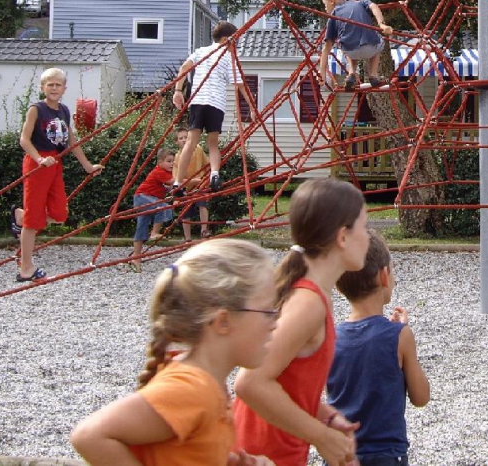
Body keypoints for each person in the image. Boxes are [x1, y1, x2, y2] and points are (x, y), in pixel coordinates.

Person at [70, 239, 279, 466]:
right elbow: (90, 436)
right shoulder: (192, 390)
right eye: (268, 311)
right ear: (223, 321)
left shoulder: (208, 386)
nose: (275, 323)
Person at [234, 178, 371, 466]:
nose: (368, 238)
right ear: (342, 237)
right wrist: (321, 437)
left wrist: (325, 415)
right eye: (364, 227)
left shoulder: (315, 295)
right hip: (262, 455)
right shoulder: (308, 303)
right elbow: (250, 383)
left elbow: (286, 381)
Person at [326, 231, 431, 466]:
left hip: (340, 452)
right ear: (384, 276)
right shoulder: (400, 336)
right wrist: (404, 338)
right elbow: (421, 397)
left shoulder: (330, 338)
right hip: (386, 453)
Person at [12, 67, 103, 282]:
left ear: (64, 88)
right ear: (43, 87)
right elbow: (24, 140)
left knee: (59, 214)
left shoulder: (63, 111)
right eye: (50, 84)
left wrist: (88, 166)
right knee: (33, 222)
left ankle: (19, 216)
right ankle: (26, 267)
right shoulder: (36, 109)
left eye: (58, 84)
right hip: (38, 164)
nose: (54, 88)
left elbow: (72, 142)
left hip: (55, 162)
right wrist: (39, 159)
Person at [173, 21, 246, 199]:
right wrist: (251, 106)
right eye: (234, 40)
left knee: (190, 143)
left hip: (198, 102)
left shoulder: (201, 51)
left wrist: (177, 91)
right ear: (225, 39)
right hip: (216, 104)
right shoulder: (228, 57)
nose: (235, 44)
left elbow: (184, 68)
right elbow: (239, 83)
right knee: (213, 142)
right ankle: (214, 175)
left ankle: (178, 182)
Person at [318, 0, 394, 90]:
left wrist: (322, 72)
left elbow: (326, 48)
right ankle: (373, 74)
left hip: (351, 52)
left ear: (331, 1)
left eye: (325, 5)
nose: (325, 9)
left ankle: (352, 73)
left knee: (345, 41)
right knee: (380, 40)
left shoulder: (333, 16)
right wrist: (381, 24)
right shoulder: (359, 3)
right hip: (371, 48)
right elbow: (374, 6)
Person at [131, 150, 176, 270]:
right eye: (169, 161)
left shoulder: (165, 173)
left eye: (173, 162)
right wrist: (192, 180)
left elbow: (171, 188)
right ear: (160, 162)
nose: (172, 164)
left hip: (148, 199)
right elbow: (174, 182)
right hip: (143, 197)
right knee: (162, 207)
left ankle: (136, 257)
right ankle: (154, 233)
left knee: (141, 226)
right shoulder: (159, 171)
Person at [175, 128, 212, 242]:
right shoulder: (177, 157)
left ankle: (204, 229)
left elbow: (207, 164)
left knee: (202, 204)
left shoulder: (198, 149)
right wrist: (192, 181)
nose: (184, 140)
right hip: (187, 188)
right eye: (181, 138)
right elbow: (178, 179)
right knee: (186, 212)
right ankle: (187, 238)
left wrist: (207, 177)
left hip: (200, 186)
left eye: (186, 137)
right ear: (176, 142)